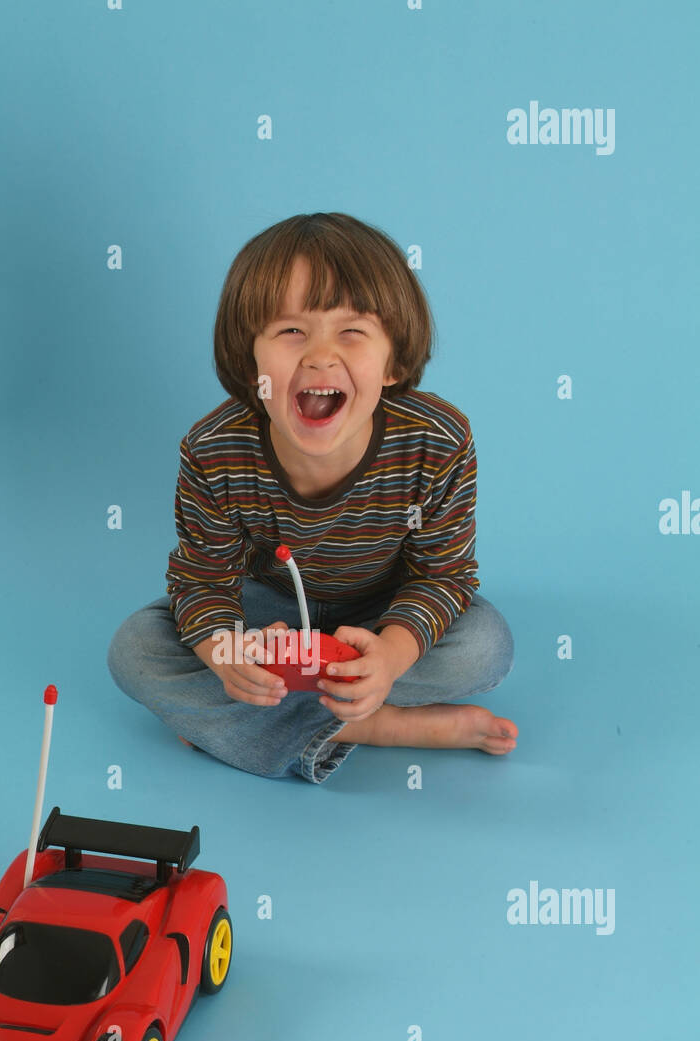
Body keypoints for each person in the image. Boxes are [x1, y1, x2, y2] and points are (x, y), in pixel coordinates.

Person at [108, 212, 517, 784]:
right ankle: (378, 725)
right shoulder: (213, 449)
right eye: (291, 331)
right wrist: (226, 654)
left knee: (485, 646)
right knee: (137, 649)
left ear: (393, 361)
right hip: (270, 620)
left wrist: (391, 656)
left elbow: (442, 576)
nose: (320, 356)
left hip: (380, 616)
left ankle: (238, 725)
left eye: (352, 331)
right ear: (251, 363)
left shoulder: (438, 441)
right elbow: (203, 582)